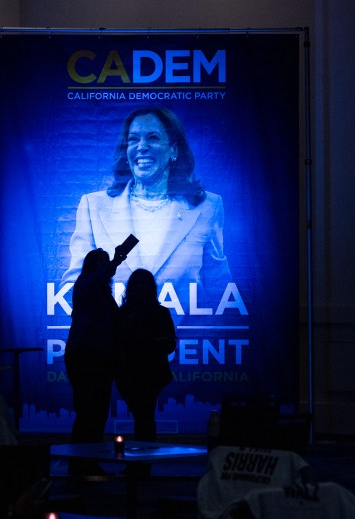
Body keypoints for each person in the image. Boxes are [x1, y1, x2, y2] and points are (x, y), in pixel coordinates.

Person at [61, 106, 231, 310]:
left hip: (178, 339)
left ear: (174, 150)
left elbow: (220, 290)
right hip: (114, 337)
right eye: (133, 139)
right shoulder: (93, 206)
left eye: (153, 138)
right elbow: (73, 288)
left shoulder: (208, 206)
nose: (142, 146)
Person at [64, 247, 128, 474]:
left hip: (97, 358)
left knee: (96, 411)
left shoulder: (100, 294)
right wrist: (115, 262)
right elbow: (99, 276)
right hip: (86, 356)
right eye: (100, 262)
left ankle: (86, 460)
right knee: (89, 411)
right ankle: (81, 462)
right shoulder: (84, 284)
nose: (105, 265)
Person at [115, 268, 176, 441]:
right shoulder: (125, 314)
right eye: (138, 284)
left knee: (144, 417)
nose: (140, 288)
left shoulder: (127, 314)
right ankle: (143, 461)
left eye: (143, 284)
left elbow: (169, 345)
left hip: (147, 373)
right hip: (133, 373)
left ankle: (142, 462)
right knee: (144, 417)